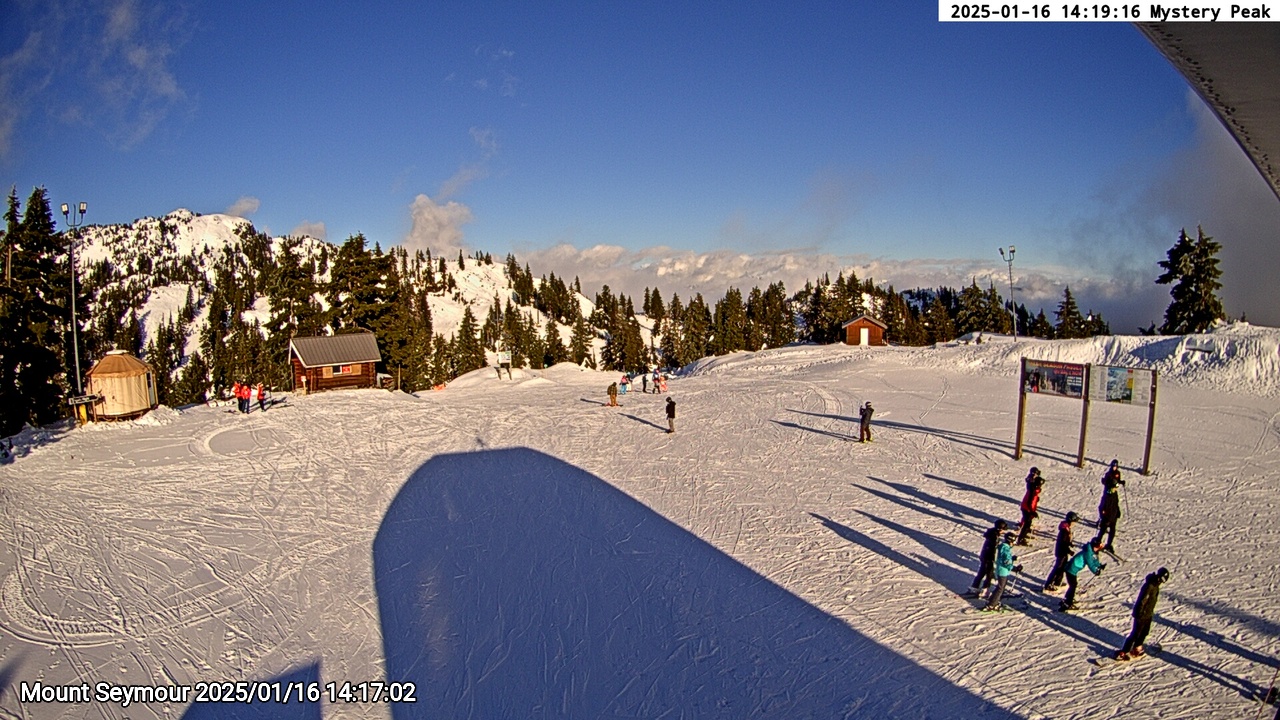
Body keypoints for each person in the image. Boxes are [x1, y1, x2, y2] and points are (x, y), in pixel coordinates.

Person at [1117, 567, 1170, 660]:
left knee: (1145, 632)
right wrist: (1140, 613)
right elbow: (1142, 600)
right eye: (1161, 580)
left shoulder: (1156, 585)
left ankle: (1137, 647)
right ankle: (1124, 651)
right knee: (1135, 634)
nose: (1161, 582)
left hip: (1148, 613)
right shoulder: (1150, 585)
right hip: (1141, 614)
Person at [1059, 537, 1106, 611]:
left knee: (1073, 585)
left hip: (1072, 569)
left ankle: (1067, 599)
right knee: (1073, 586)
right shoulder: (1088, 553)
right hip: (1071, 569)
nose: (1098, 549)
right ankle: (1067, 603)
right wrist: (1095, 571)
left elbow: (1094, 560)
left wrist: (1099, 566)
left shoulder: (1091, 551)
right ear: (1094, 546)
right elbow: (1090, 564)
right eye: (1098, 547)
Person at [982, 532, 1024, 611]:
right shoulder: (1006, 550)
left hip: (1001, 570)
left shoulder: (1003, 547)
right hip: (1003, 571)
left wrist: (1011, 558)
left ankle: (992, 600)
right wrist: (1014, 568)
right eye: (1013, 542)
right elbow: (1006, 562)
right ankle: (992, 604)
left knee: (1000, 587)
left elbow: (1004, 558)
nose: (1014, 544)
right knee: (1000, 588)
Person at [968, 519, 1009, 596]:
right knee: (989, 574)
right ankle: (985, 590)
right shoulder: (994, 536)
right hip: (988, 558)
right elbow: (993, 548)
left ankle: (974, 586)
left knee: (982, 572)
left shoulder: (992, 533)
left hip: (985, 556)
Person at [1043, 511, 1080, 591]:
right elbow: (1063, 544)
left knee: (1062, 568)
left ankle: (1057, 582)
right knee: (1057, 569)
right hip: (1061, 553)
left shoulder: (1066, 529)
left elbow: (1066, 542)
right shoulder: (1064, 531)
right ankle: (1048, 585)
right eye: (1074, 522)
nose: (1075, 524)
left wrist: (1070, 544)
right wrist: (1069, 550)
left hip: (1063, 552)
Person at [1096, 459, 1125, 553]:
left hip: (1113, 516)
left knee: (1112, 531)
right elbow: (1103, 507)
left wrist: (1118, 511)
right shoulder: (1108, 495)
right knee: (1103, 530)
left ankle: (1109, 544)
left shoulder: (1115, 494)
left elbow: (1116, 503)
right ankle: (1097, 543)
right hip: (1107, 516)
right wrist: (1104, 515)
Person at [1016, 470, 1044, 545]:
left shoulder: (1033, 489)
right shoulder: (1033, 491)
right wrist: (1032, 512)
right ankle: (1021, 538)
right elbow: (1030, 502)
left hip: (1026, 507)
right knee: (1027, 523)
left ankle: (1025, 532)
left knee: (1028, 522)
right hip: (1027, 508)